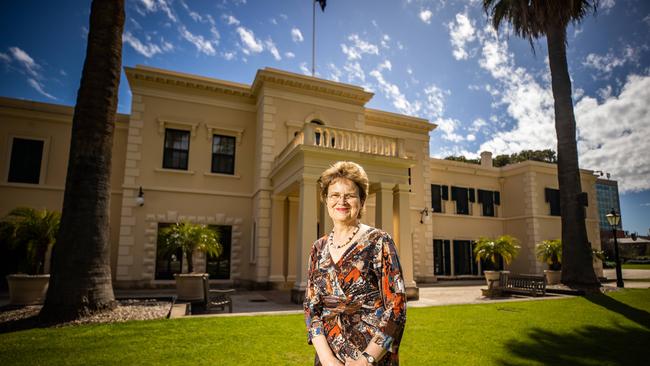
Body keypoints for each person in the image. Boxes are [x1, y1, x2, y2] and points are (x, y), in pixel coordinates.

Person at [304, 161, 407, 366]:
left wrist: (367, 360)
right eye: (334, 195)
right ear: (325, 200)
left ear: (361, 201)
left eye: (350, 195)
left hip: (373, 359)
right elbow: (311, 308)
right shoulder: (318, 248)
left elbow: (397, 309)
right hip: (328, 360)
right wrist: (326, 358)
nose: (341, 201)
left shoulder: (379, 242)